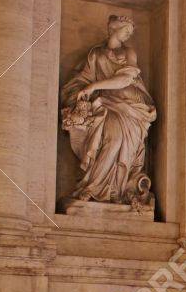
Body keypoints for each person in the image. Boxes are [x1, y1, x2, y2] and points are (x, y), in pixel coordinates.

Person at [60, 15, 157, 205]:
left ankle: (116, 191)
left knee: (122, 142)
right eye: (126, 29)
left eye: (131, 31)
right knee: (114, 138)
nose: (129, 33)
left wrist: (94, 87)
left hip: (131, 106)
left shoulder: (129, 52)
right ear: (113, 28)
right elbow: (80, 80)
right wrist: (83, 93)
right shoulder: (96, 54)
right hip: (107, 104)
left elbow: (126, 79)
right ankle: (94, 188)